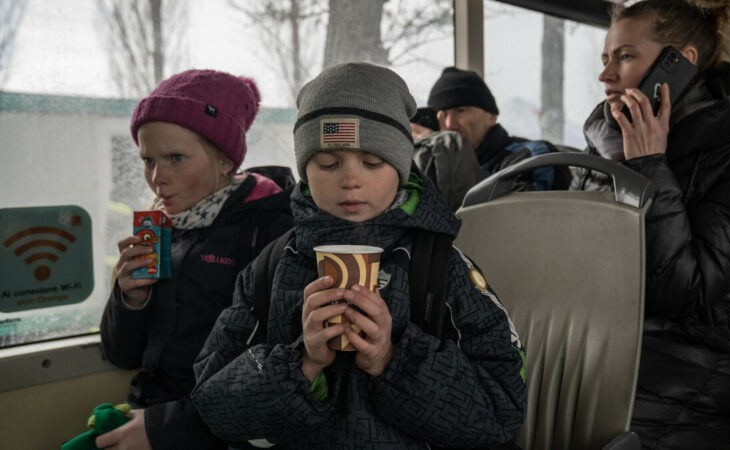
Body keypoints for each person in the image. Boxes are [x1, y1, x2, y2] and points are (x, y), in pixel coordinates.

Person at [191, 62, 527, 448]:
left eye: (372, 162)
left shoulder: (442, 271)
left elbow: (500, 412)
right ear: (304, 169)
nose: (350, 179)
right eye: (328, 163)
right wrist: (302, 364)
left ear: (401, 168)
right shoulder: (269, 269)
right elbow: (211, 404)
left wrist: (393, 358)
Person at [571, 1, 730, 448]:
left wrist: (649, 165)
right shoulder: (608, 138)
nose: (606, 76)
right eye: (605, 58)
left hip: (711, 354)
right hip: (609, 341)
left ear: (679, 64)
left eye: (625, 56)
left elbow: (683, 290)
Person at [98, 69, 294, 449]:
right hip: (150, 412)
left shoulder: (272, 230)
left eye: (175, 158)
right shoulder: (160, 230)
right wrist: (130, 300)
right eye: (148, 160)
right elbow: (121, 355)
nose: (157, 179)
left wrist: (165, 429)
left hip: (219, 430)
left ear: (225, 160)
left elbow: (275, 372)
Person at [427, 66, 572, 193]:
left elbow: (503, 216)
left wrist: (447, 161)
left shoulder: (533, 156)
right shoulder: (430, 163)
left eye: (461, 111)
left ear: (491, 117)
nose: (450, 124)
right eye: (442, 115)